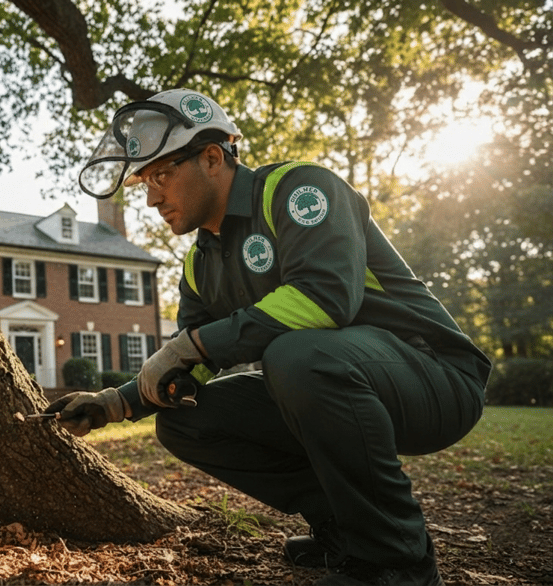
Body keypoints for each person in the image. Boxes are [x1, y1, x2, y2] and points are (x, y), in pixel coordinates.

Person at [44, 88, 491, 586]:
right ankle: (345, 530)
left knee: (295, 355)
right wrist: (113, 403)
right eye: (145, 181)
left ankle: (397, 560)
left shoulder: (299, 190)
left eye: (163, 174)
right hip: (337, 382)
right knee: (184, 421)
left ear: (212, 157)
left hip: (435, 376)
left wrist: (193, 345)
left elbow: (325, 298)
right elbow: (183, 362)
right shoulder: (198, 264)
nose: (151, 197)